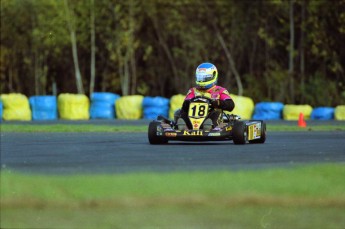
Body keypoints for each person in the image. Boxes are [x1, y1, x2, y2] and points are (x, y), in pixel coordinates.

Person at [175, 62, 235, 131]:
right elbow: (185, 106)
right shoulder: (193, 91)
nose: (202, 80)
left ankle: (209, 126)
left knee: (217, 111)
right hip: (192, 119)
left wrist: (218, 103)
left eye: (205, 78)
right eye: (200, 77)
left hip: (210, 117)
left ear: (213, 75)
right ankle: (183, 126)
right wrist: (188, 103)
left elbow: (231, 105)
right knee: (180, 112)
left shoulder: (220, 90)